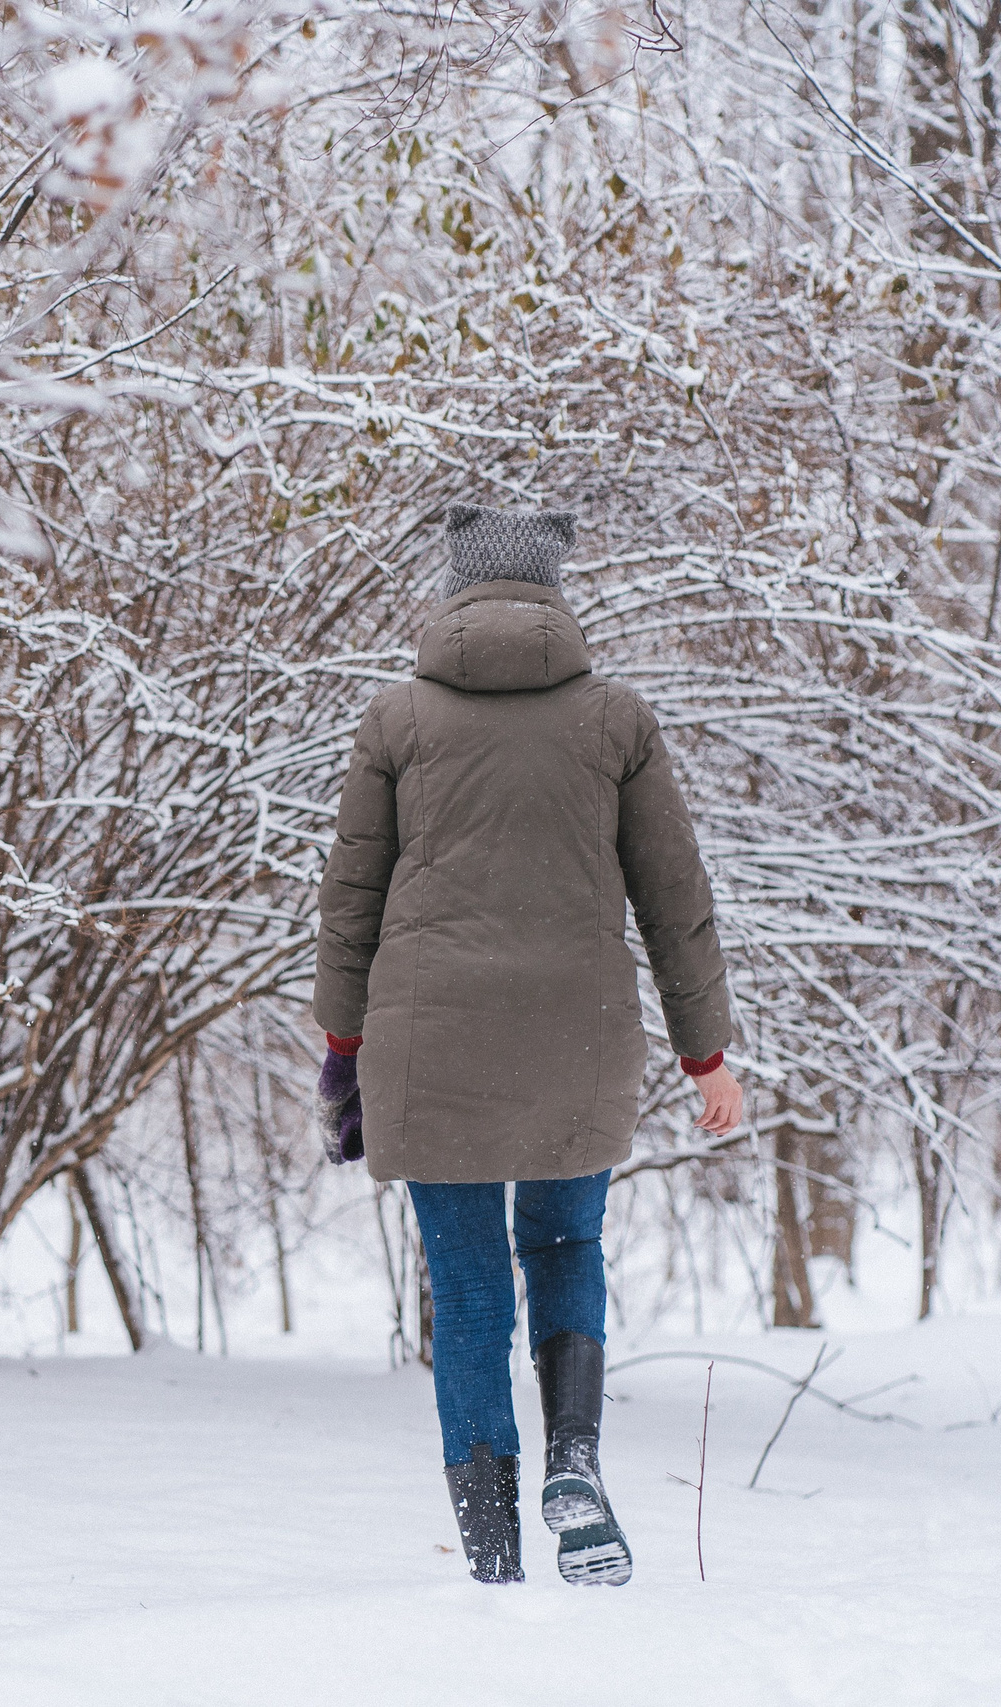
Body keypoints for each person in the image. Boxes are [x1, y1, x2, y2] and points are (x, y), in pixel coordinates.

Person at [312, 502, 743, 1587]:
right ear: (554, 595)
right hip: (578, 1034)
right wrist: (706, 1053)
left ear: (455, 593)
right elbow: (675, 899)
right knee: (561, 1246)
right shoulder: (615, 721)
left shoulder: (396, 721)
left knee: (464, 1298)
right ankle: (579, 1462)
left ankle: (494, 1565)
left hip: (428, 1044)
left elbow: (349, 900)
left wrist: (341, 1048)